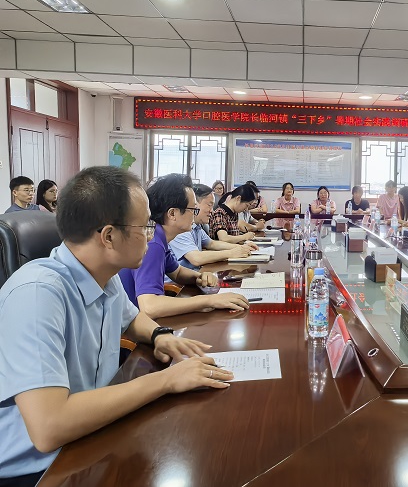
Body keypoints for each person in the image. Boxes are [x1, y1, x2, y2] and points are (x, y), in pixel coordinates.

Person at [0, 166, 234, 486]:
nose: (151, 235)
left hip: (92, 435)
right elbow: (49, 428)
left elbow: (131, 318)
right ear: (109, 236)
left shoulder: (103, 274)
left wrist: (160, 335)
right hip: (39, 468)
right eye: (145, 225)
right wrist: (166, 380)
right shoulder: (37, 294)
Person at [119, 174, 250, 318]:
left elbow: (177, 272)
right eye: (192, 209)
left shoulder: (160, 237)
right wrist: (210, 300)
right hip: (129, 326)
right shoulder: (153, 243)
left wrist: (199, 277)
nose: (194, 215)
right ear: (172, 213)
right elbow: (150, 307)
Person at [169, 184, 255, 271]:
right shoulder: (180, 228)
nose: (212, 211)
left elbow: (211, 244)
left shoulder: (197, 226)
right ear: (195, 204)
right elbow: (196, 258)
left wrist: (240, 248)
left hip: (195, 273)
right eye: (209, 205)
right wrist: (231, 253)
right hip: (183, 279)